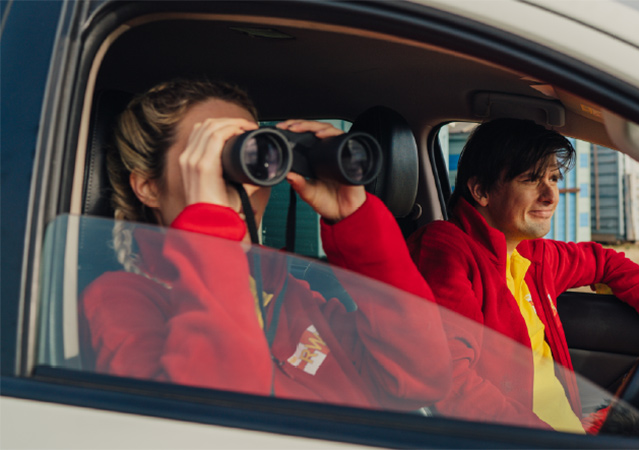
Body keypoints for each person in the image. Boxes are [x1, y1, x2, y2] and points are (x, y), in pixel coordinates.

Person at [80, 79, 451, 411]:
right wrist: (210, 231)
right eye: (213, 164)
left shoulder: (286, 294)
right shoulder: (119, 302)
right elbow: (215, 424)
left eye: (254, 158)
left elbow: (421, 380)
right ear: (149, 186)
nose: (246, 187)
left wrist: (356, 221)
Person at [407, 118, 639, 433]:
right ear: (481, 191)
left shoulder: (529, 252)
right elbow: (453, 384)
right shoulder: (446, 250)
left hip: (575, 429)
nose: (550, 195)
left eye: (554, 178)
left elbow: (604, 261)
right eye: (531, 179)